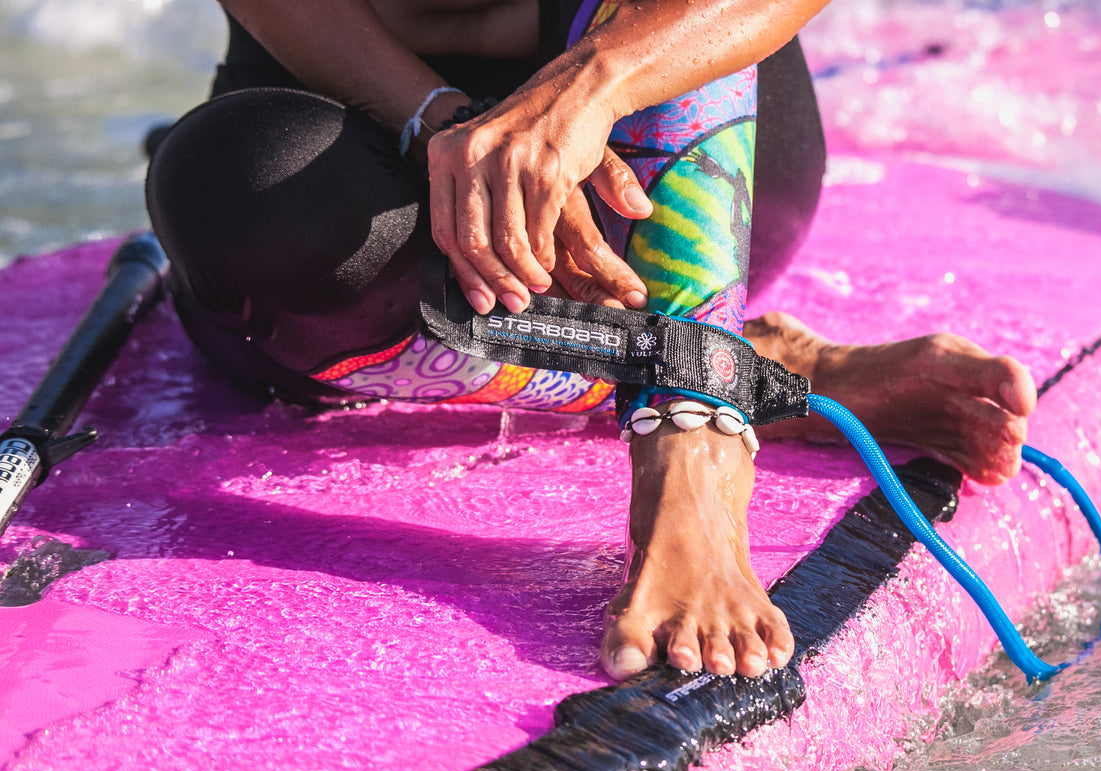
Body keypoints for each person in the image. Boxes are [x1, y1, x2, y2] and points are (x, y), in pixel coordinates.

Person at [146, 0, 1037, 683]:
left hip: (674, 158)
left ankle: (698, 428)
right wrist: (438, 122)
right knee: (239, 190)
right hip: (359, 145)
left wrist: (592, 87)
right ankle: (744, 361)